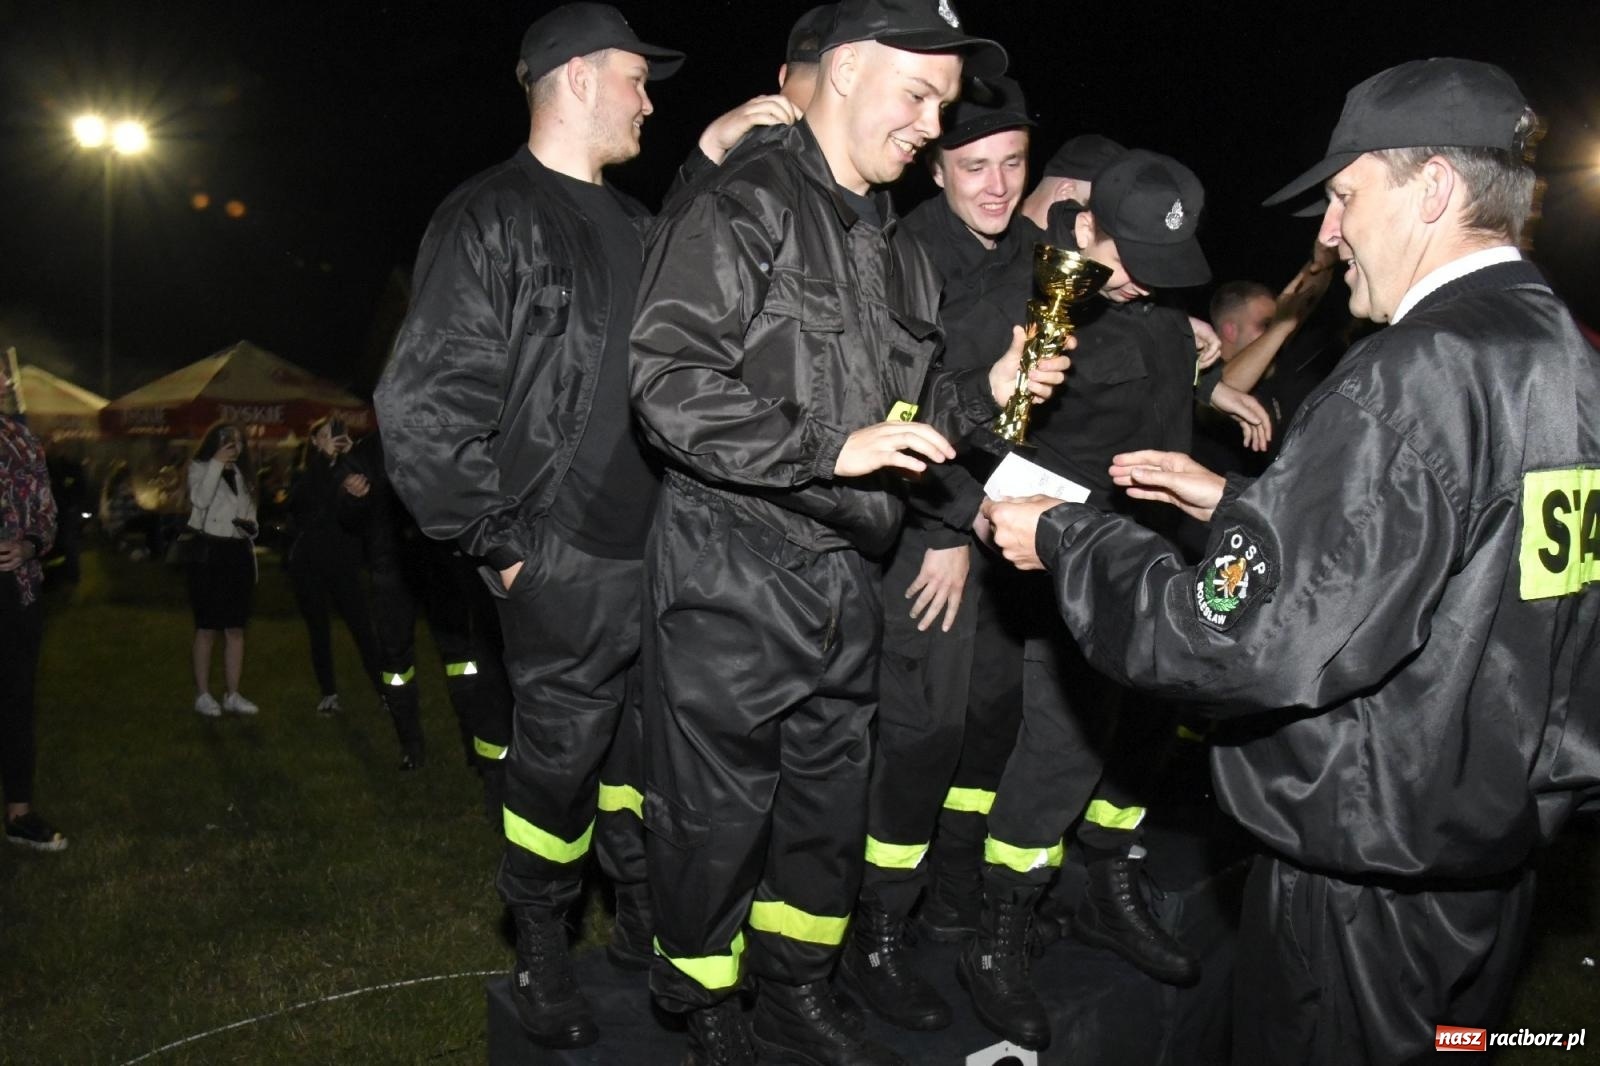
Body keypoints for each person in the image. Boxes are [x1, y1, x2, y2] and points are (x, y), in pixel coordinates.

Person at [984, 58, 1600, 1064]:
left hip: (1364, 887)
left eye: (1345, 196)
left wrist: (1065, 537)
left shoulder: (1416, 371)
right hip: (1488, 870)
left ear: (1433, 188)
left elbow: (1234, 640)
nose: (1327, 231)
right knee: (1462, 1049)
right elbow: (1456, 564)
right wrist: (1245, 504)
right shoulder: (1564, 359)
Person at [628, 2, 1064, 1062]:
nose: (930, 126)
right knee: (714, 821)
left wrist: (990, 395)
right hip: (732, 568)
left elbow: (915, 406)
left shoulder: (885, 239)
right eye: (918, 96)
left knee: (825, 815)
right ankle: (704, 1004)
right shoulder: (747, 203)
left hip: (843, 579)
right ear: (849, 69)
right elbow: (666, 380)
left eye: (943, 106)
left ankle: (794, 985)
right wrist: (827, 446)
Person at [374, 3, 699, 1052]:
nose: (649, 96)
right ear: (571, 78)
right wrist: (505, 547)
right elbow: (421, 405)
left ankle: (639, 921)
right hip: (561, 561)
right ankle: (543, 936)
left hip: (662, 558)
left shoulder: (646, 225)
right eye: (634, 77)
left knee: (646, 762)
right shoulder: (491, 215)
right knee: (555, 767)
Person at [841, 73, 1038, 1033]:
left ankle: (952, 898)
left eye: (1012, 165)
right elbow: (897, 412)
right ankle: (877, 933)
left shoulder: (1043, 257)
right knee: (918, 738)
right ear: (938, 167)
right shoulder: (907, 252)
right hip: (931, 537)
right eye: (973, 167)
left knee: (989, 724)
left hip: (1015, 539)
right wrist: (945, 530)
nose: (995, 187)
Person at [1, 367, 64, 850]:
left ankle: (19, 814)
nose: (4, 380)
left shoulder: (23, 442)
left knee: (18, 701)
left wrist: (29, 544)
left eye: (3, 373)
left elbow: (47, 511)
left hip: (17, 589)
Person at [285, 416, 383, 717]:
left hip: (343, 561)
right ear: (314, 441)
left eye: (338, 434)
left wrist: (352, 460)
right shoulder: (304, 474)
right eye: (326, 435)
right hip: (310, 562)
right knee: (319, 630)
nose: (334, 439)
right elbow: (304, 503)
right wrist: (329, 462)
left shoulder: (351, 468)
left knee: (363, 628)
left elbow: (367, 510)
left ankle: (385, 691)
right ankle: (328, 693)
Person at [185, 422, 260, 718]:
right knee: (206, 628)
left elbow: (251, 515)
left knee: (235, 627)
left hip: (237, 553)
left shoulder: (244, 475)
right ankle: (203, 694)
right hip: (209, 554)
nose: (234, 447)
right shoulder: (200, 467)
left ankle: (233, 693)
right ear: (214, 442)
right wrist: (216, 463)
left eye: (239, 442)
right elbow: (200, 500)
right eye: (228, 441)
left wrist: (251, 528)